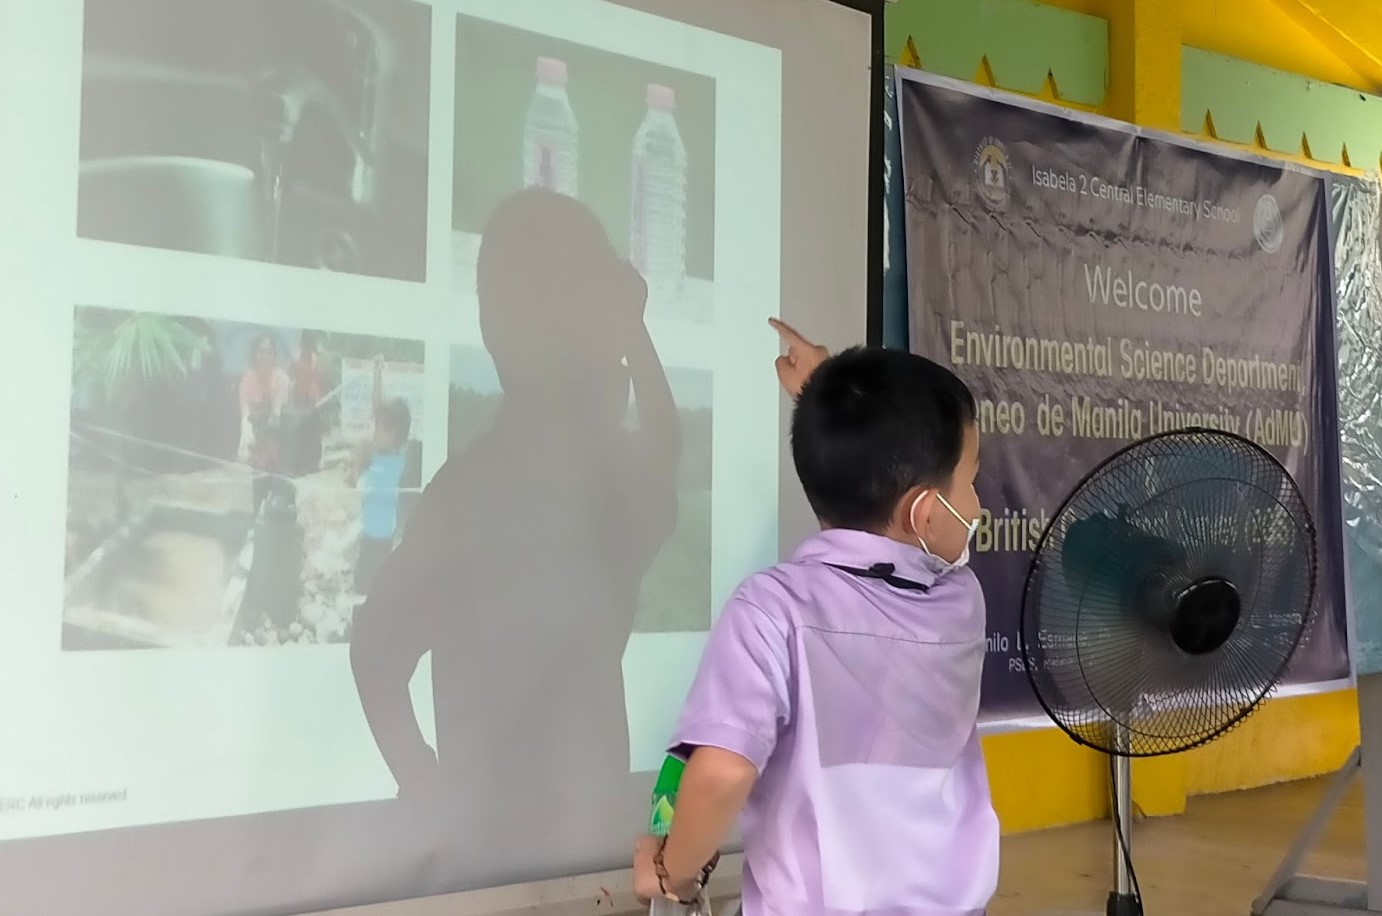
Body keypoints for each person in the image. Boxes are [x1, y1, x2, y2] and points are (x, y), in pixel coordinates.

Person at [349, 190, 681, 876]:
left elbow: (374, 653)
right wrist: (633, 330)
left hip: (505, 857)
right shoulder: (602, 491)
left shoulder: (472, 492)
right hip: (557, 856)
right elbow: (663, 445)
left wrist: (425, 786)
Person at [633, 320, 998, 916]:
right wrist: (829, 388)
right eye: (970, 481)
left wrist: (670, 872)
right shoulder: (960, 602)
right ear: (926, 512)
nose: (978, 505)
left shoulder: (771, 611)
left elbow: (721, 773)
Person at [348, 356, 411, 597]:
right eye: (376, 426)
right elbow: (377, 407)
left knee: (379, 587)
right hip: (367, 534)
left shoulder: (397, 460)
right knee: (361, 585)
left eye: (382, 429)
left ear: (395, 435)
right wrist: (377, 374)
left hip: (384, 539)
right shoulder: (373, 453)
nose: (375, 432)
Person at [238, 333, 292, 513]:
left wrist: (262, 422)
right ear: (254, 354)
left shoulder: (281, 380)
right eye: (260, 351)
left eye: (269, 352)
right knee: (259, 502)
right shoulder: (247, 381)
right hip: (258, 454)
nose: (265, 356)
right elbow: (245, 414)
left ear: (274, 356)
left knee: (279, 506)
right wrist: (247, 435)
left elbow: (277, 417)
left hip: (280, 452)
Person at [289, 330, 325, 477]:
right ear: (302, 343)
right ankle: (298, 466)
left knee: (314, 435)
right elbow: (290, 379)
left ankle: (313, 463)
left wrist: (315, 400)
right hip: (298, 403)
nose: (307, 347)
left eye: (310, 344)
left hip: (312, 403)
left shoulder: (316, 360)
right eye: (305, 344)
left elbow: (319, 381)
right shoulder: (295, 359)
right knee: (299, 436)